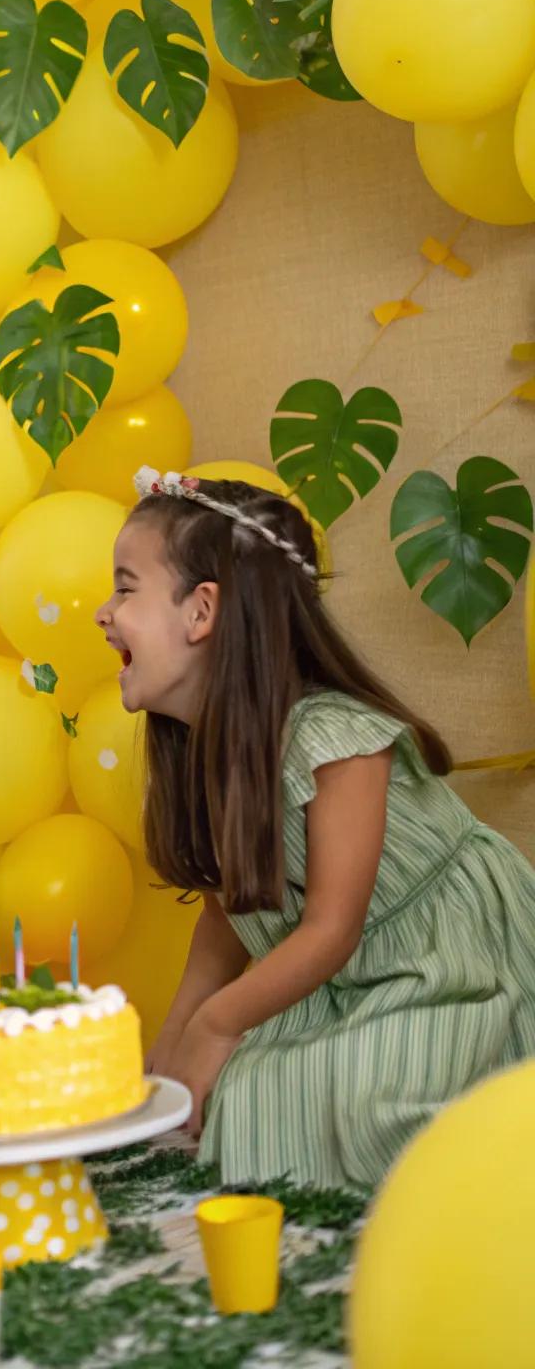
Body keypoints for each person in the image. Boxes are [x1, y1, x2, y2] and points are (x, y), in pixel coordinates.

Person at [96, 468, 535, 1189]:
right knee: (247, 1097)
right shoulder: (212, 757)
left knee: (363, 1104)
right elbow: (227, 919)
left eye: (124, 587)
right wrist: (169, 1054)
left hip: (452, 970)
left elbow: (334, 928)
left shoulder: (336, 737)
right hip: (349, 987)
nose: (103, 613)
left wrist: (217, 1026)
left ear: (201, 611)